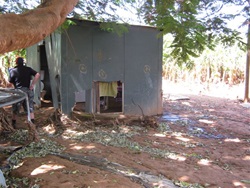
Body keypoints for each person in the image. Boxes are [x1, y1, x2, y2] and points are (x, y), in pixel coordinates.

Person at [8, 57, 40, 128]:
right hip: (28, 91)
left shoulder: (13, 71)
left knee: (15, 108)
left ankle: (13, 125)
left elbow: (10, 83)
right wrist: (32, 85)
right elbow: (37, 74)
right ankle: (32, 125)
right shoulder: (28, 69)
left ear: (16, 62)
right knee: (30, 108)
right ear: (23, 62)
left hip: (18, 92)